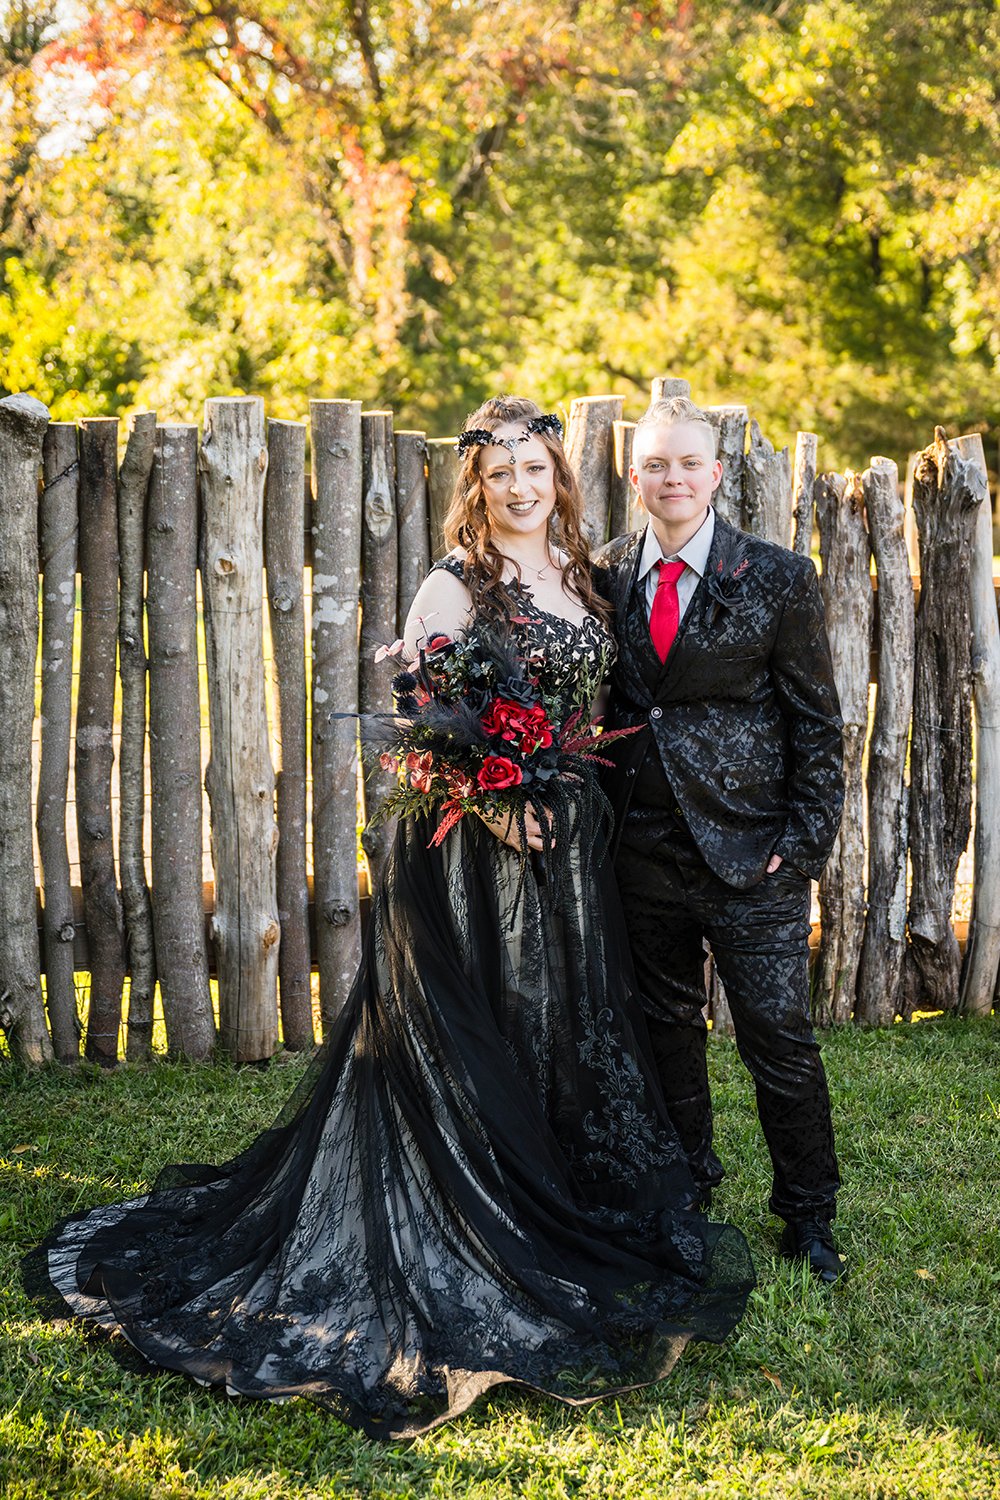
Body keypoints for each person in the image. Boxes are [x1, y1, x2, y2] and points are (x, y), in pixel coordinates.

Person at [25, 396, 753, 1441]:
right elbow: (415, 736)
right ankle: (473, 1217)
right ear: (476, 486)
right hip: (472, 849)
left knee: (557, 1025)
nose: (517, 488)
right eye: (498, 474)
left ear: (557, 479)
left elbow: (594, 707)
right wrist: (498, 805)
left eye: (533, 472)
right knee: (479, 1031)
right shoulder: (454, 585)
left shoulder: (588, 577)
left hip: (570, 849)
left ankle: (555, 1193)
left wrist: (568, 791)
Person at [594, 396, 846, 1284]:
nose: (672, 479)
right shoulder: (604, 576)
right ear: (635, 477)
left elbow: (818, 723)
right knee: (665, 1029)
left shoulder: (777, 577)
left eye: (687, 465)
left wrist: (804, 843)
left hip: (755, 856)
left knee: (778, 1035)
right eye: (655, 465)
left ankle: (809, 1214)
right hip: (642, 850)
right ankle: (688, 1191)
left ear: (716, 474)